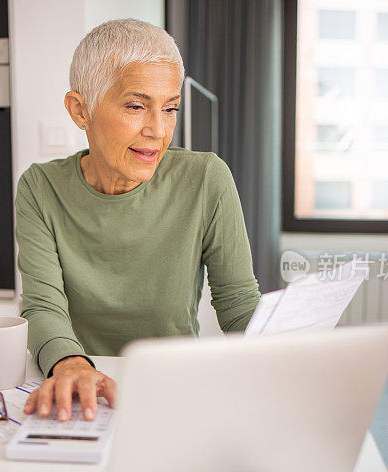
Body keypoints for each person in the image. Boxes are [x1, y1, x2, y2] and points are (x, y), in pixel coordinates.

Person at [18, 19, 260, 422]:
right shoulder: (40, 188)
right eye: (135, 106)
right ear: (81, 110)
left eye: (170, 108)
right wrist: (71, 364)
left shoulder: (206, 178)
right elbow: (42, 306)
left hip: (175, 386)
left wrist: (284, 359)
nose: (159, 131)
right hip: (81, 386)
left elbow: (237, 302)